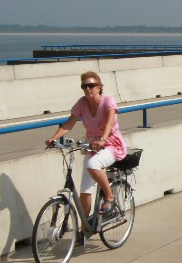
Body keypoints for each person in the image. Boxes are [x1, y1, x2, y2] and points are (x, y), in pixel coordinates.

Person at [45, 71, 127, 219]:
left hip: (111, 143)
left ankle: (110, 196)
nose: (87, 89)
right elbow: (69, 124)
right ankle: (85, 227)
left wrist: (103, 139)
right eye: (84, 86)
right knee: (85, 190)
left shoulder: (108, 101)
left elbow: (109, 123)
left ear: (99, 87)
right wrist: (53, 138)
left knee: (92, 164)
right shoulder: (82, 103)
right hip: (92, 145)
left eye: (91, 85)